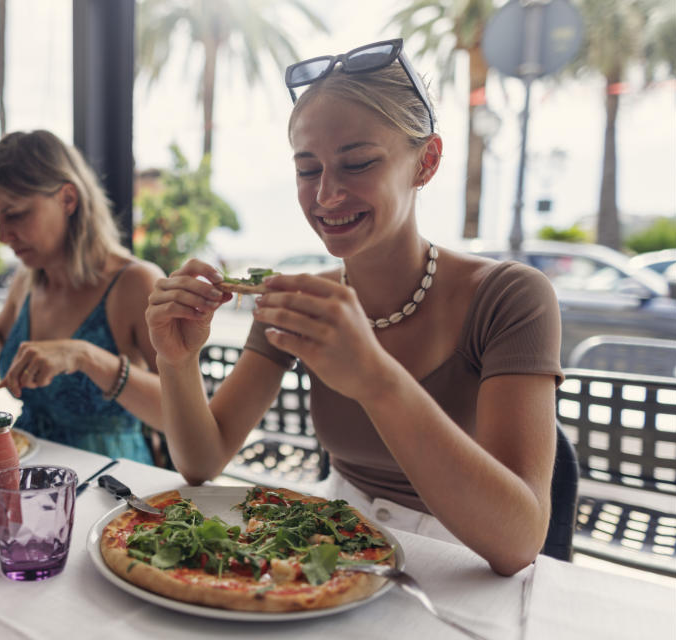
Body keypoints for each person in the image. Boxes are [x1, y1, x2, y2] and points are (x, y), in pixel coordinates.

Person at [145, 39, 562, 575]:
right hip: (332, 554)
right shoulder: (299, 300)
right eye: (307, 169)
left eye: (358, 163)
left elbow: (518, 540)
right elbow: (202, 462)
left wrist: (374, 376)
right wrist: (176, 360)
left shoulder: (512, 297)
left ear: (427, 162)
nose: (326, 196)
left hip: (463, 568)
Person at [0, 130, 164, 464]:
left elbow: (182, 415)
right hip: (25, 470)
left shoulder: (135, 283)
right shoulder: (27, 279)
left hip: (111, 487)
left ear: (68, 199)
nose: (2, 236)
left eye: (14, 214)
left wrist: (87, 356)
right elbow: (2, 353)